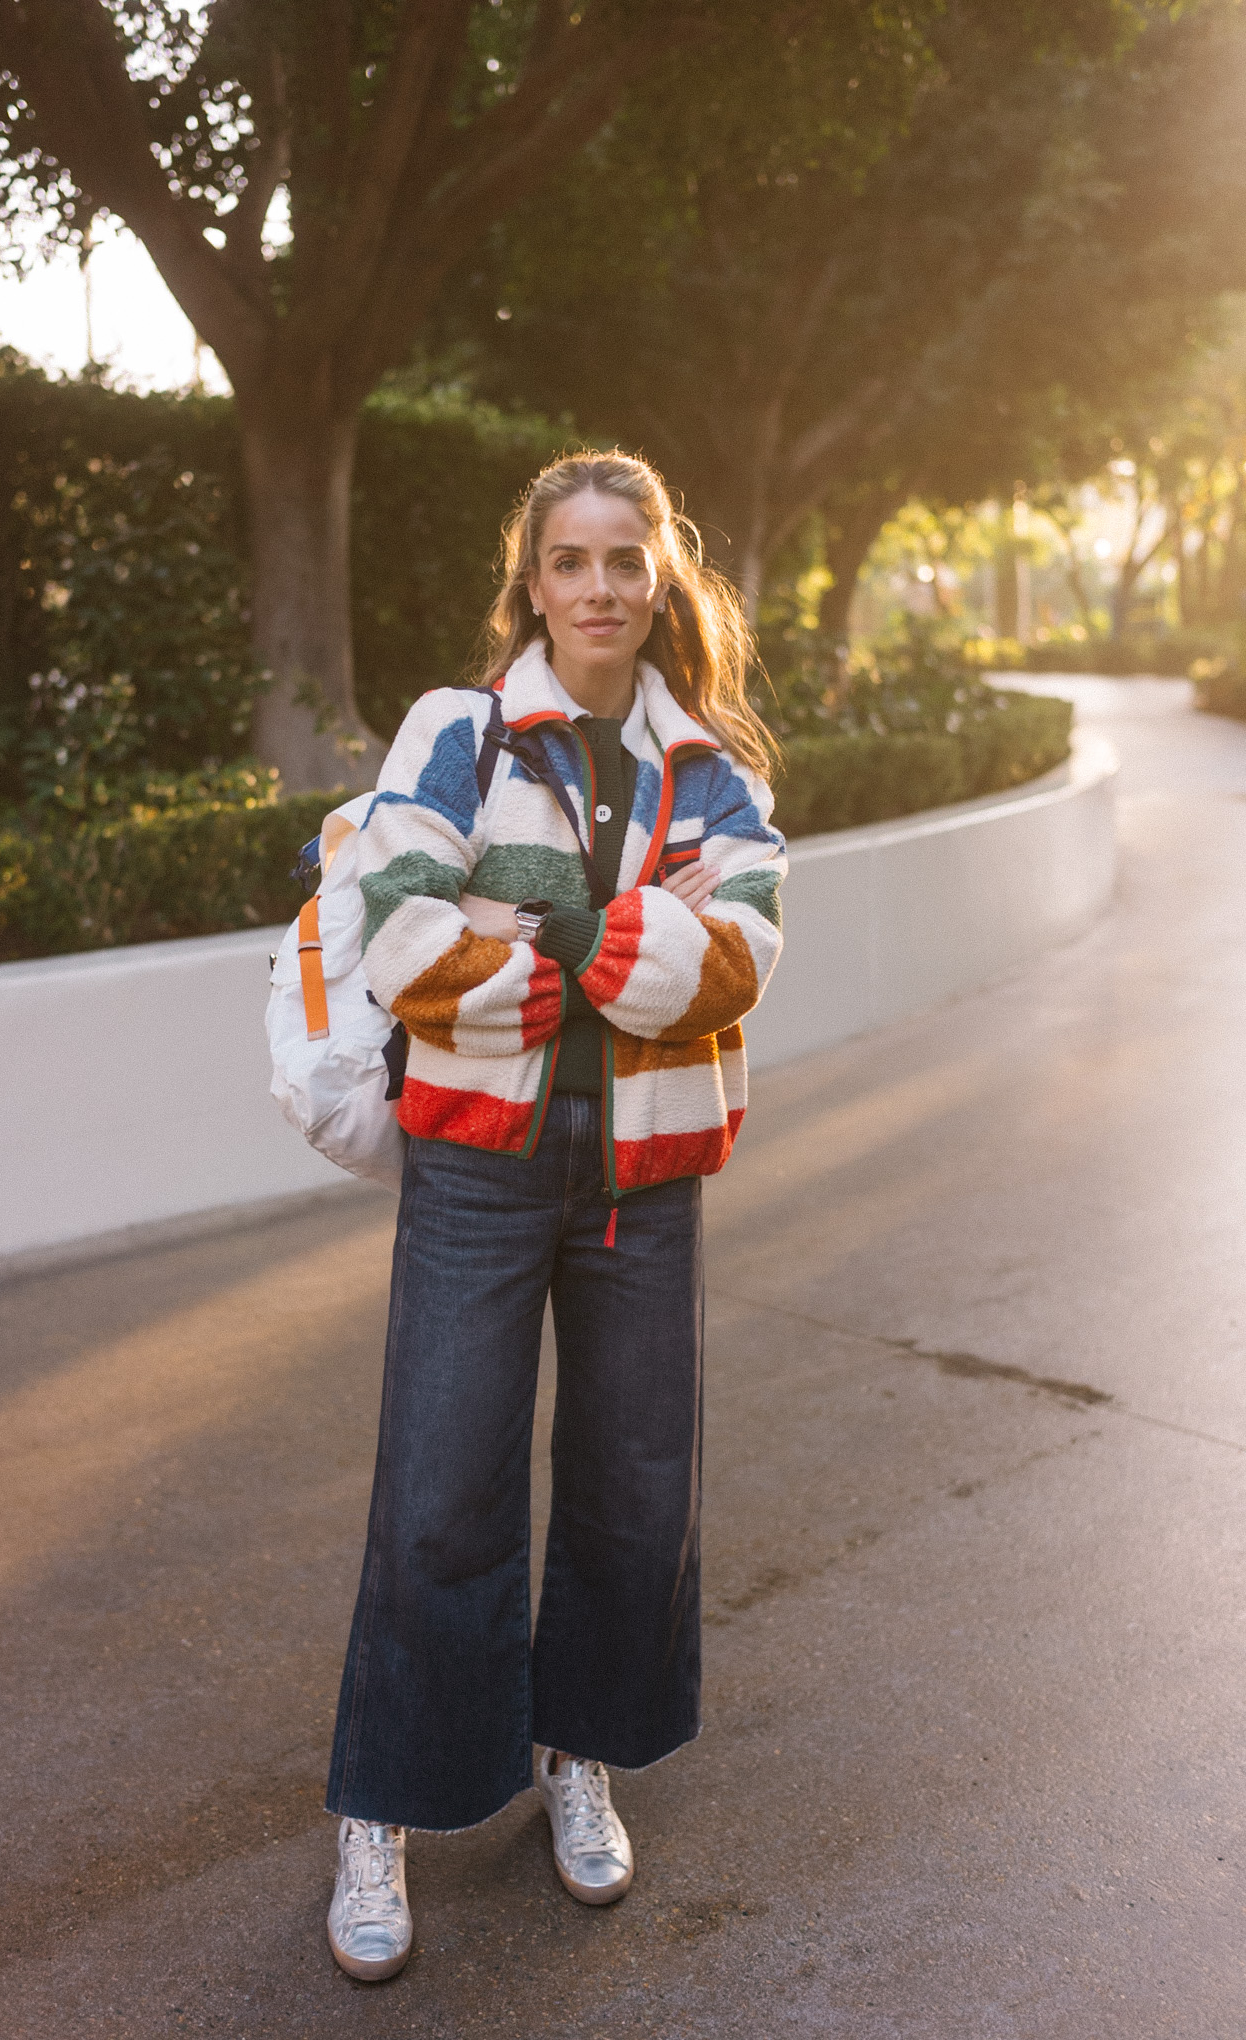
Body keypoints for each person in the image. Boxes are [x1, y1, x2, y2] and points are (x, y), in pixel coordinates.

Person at [323, 450, 787, 1981]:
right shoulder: (457, 731)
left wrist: (544, 927)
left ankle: (575, 1751)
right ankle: (384, 1805)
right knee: (445, 1485)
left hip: (644, 1178)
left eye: (624, 561)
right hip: (479, 1165)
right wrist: (576, 956)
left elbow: (742, 950)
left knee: (634, 1489)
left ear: (662, 580)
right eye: (570, 561)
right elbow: (396, 921)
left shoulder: (710, 764)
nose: (598, 587)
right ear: (533, 582)